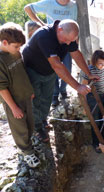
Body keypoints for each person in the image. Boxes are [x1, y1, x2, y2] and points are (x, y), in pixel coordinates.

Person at [22, 19, 98, 142]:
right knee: (35, 99)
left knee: (47, 97)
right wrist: (78, 86)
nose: (68, 43)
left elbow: (76, 54)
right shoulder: (44, 36)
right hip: (32, 69)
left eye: (71, 41)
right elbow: (57, 65)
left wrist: (88, 74)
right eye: (66, 40)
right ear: (60, 29)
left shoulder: (69, 36)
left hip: (49, 71)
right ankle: (37, 127)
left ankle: (42, 120)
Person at [0, 22, 40, 168]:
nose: (18, 50)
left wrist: (29, 90)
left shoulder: (15, 52)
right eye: (16, 46)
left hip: (25, 94)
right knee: (19, 127)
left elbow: (23, 71)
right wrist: (13, 107)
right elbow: (2, 88)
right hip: (13, 101)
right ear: (5, 42)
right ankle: (26, 152)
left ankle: (28, 144)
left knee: (29, 122)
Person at [24, 0, 77, 107]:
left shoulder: (73, 5)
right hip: (51, 43)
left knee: (66, 68)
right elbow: (27, 8)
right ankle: (55, 94)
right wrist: (41, 24)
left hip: (66, 39)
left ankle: (63, 90)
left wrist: (73, 41)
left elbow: (73, 24)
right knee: (54, 68)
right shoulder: (49, 3)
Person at [82, 50, 104, 153]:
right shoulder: (89, 70)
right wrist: (85, 106)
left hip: (103, 95)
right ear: (94, 62)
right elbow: (83, 88)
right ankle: (96, 143)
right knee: (96, 121)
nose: (102, 66)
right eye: (99, 64)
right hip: (93, 98)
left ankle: (103, 140)